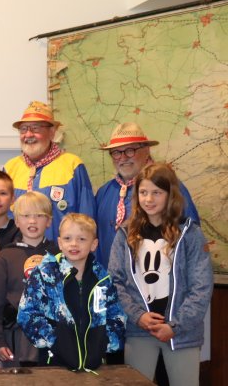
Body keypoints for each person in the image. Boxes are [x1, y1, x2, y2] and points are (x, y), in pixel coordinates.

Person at [108, 163, 212, 385]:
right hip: (139, 331)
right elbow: (115, 282)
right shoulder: (125, 234)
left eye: (157, 192)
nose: (149, 199)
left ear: (170, 194)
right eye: (143, 192)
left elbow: (201, 288)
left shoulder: (190, 234)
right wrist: (138, 316)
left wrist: (175, 325)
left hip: (181, 334)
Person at [18, 213, 126, 371]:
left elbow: (116, 316)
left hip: (95, 366)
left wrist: (104, 344)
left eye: (82, 239)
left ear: (94, 244)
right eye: (68, 239)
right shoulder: (44, 273)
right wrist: (54, 341)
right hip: (53, 364)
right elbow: (27, 314)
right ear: (60, 243)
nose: (74, 244)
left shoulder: (102, 278)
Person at [94, 123, 199, 267]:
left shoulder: (171, 187)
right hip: (112, 281)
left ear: (147, 150)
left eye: (130, 150)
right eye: (116, 152)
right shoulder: (104, 192)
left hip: (159, 282)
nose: (123, 158)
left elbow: (192, 242)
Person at [3, 101, 95, 240]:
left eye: (35, 129)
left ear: (52, 132)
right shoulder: (10, 168)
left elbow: (87, 221)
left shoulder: (72, 166)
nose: (28, 135)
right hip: (17, 256)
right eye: (23, 129)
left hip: (61, 258)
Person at [0, 192, 59, 367]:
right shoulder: (6, 255)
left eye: (39, 216)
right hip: (14, 339)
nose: (32, 221)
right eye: (26, 216)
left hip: (53, 339)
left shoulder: (59, 255)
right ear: (17, 221)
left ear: (49, 221)